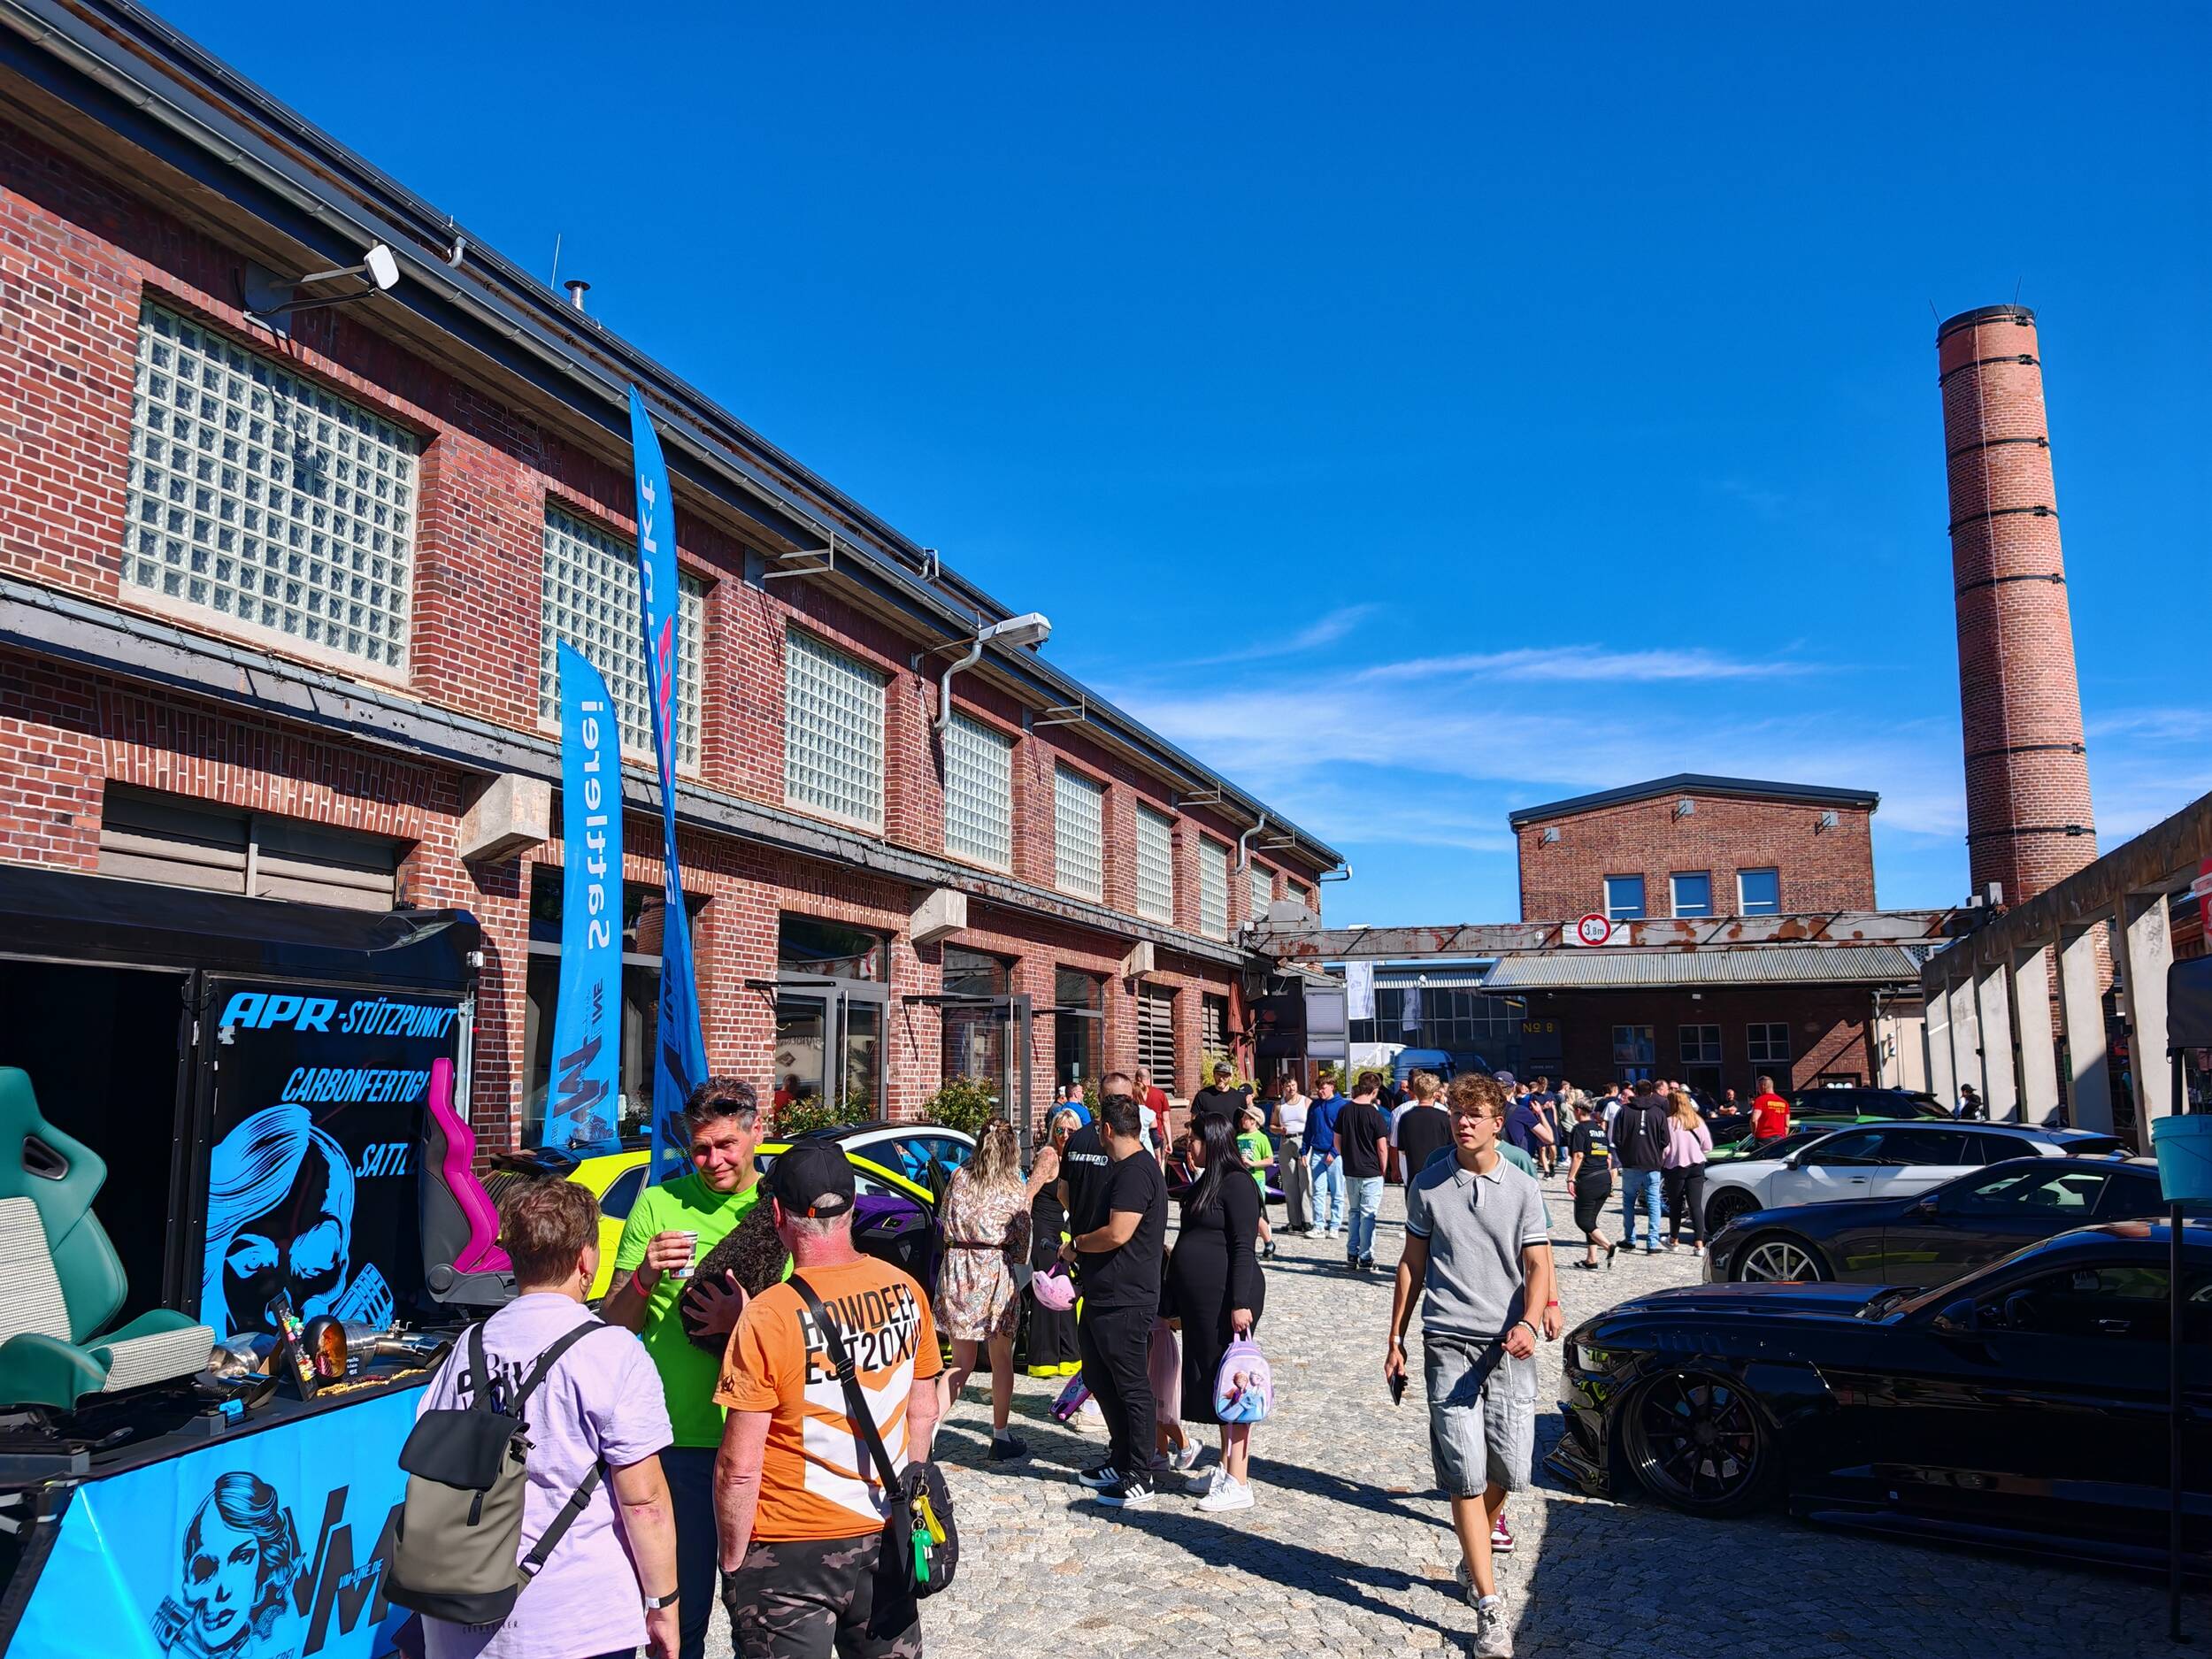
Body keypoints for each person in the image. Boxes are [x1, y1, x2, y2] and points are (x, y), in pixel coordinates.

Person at [418, 1179, 680, 1659]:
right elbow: (643, 1501)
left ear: (513, 1260)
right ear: (585, 1260)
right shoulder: (612, 1351)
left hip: (461, 1614)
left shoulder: (465, 1348)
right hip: (577, 1621)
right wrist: (663, 1606)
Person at [711, 1144, 942, 1659]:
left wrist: (732, 1562)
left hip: (790, 1547)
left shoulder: (768, 1315)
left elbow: (738, 1468)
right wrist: (910, 1502)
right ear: (853, 1208)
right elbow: (924, 1409)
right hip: (886, 1530)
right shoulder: (907, 1291)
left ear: (777, 1214)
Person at [1384, 1075, 1558, 1659]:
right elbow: (1411, 1264)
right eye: (1458, 1112)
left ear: (1497, 1122)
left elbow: (1539, 1264)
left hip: (1508, 1346)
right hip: (1447, 1343)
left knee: (1510, 1469)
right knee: (1464, 1474)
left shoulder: (1523, 1186)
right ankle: (1489, 1604)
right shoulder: (1429, 1184)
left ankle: (1472, 1545)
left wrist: (1531, 1320)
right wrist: (1395, 1338)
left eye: (1476, 1114)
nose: (1464, 1122)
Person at [605, 1079, 764, 1659]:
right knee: (679, 1623)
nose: (713, 1160)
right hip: (678, 1445)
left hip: (762, 1442)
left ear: (756, 1133)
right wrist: (644, 1274)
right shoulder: (659, 1204)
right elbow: (614, 1324)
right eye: (701, 1148)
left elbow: (807, 1328)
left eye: (725, 1145)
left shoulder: (779, 1208)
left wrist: (743, 1321)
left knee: (764, 1624)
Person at [1059, 1094, 1169, 1507]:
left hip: (1128, 1296)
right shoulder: (1124, 1168)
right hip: (1103, 1291)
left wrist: (1077, 1245)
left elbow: (1118, 1232)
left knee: (1131, 1385)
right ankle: (1120, 1458)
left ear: (1107, 1130)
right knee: (1098, 1376)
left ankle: (1141, 1472)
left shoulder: (1136, 1171)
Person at [934, 1118, 1058, 1460]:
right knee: (1001, 1359)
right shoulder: (1014, 1188)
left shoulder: (960, 1177)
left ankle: (928, 1430)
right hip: (993, 1272)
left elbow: (944, 1218)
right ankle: (1000, 1436)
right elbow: (1020, 1247)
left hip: (958, 1268)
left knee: (960, 1362)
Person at [1165, 1113, 1267, 1513]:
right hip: (1203, 1302)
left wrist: (1240, 1302)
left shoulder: (1238, 1183)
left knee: (1235, 1386)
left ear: (1212, 1140)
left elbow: (1243, 1246)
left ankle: (1239, 1481)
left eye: (1193, 1140)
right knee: (1214, 1381)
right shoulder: (1207, 1179)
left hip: (1229, 1299)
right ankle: (1226, 1469)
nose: (1188, 1147)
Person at [1024, 1108, 1085, 1377]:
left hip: (1060, 1232)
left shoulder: (1072, 1159)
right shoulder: (1049, 1155)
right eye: (1060, 1129)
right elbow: (1029, 1193)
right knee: (1047, 1292)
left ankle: (1068, 1357)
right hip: (1043, 1230)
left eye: (1071, 1130)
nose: (1064, 1135)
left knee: (1064, 1291)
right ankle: (1044, 1360)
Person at [1610, 1079, 1671, 1254]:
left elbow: (1616, 1138)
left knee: (1629, 1202)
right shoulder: (1658, 1112)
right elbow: (1665, 1139)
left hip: (1630, 1163)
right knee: (1653, 1202)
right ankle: (1652, 1242)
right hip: (1652, 1163)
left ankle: (1630, 1238)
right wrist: (1656, 1151)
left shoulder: (1624, 1111)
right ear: (1651, 1092)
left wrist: (1625, 1155)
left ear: (1635, 1092)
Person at [1338, 1075, 1390, 1271]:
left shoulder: (1344, 1110)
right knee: (1368, 1215)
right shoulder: (1375, 1115)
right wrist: (1383, 1169)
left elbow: (1337, 1140)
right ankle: (1366, 1256)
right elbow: (1382, 1147)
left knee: (1354, 1212)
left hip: (1351, 1169)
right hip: (1371, 1171)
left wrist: (1347, 1156)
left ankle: (1352, 1253)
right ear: (1374, 1091)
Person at [1563, 1096, 1617, 1270]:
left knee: (1583, 1220)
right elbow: (1609, 1158)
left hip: (1588, 1179)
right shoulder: (1599, 1129)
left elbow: (1578, 1155)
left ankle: (1609, 1247)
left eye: (1574, 1110)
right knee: (1591, 1220)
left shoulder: (1579, 1129)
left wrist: (1571, 1178)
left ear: (1578, 1111)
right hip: (1604, 1177)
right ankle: (1591, 1259)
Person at [1661, 1089, 1713, 1255]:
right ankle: (1699, 1244)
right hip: (1697, 1165)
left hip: (1675, 1167)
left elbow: (1665, 1149)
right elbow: (1707, 1146)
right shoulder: (1697, 1120)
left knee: (1676, 1205)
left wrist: (1660, 1163)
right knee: (1695, 1206)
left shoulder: (1668, 1122)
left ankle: (1674, 1239)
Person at [1303, 1074, 1347, 1238]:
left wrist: (1334, 1152)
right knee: (1318, 1191)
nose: (1320, 1091)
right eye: (1318, 1089)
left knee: (1337, 1192)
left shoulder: (1342, 1106)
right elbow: (1309, 1129)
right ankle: (1319, 1225)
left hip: (1336, 1155)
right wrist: (1304, 1151)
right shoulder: (1314, 1106)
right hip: (1317, 1152)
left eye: (1323, 1088)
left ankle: (1335, 1226)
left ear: (1332, 1087)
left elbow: (1344, 1132)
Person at [1391, 1071, 1453, 1187]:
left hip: (1415, 1178)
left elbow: (1402, 1150)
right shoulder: (1444, 1117)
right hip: (1440, 1176)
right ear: (1435, 1094)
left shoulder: (1405, 1117)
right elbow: (1451, 1147)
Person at [1235, 1102, 1279, 1259]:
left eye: (1245, 1117)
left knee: (1255, 1214)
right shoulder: (1238, 1137)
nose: (1242, 1120)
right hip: (1240, 1180)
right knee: (1241, 1215)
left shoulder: (1262, 1138)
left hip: (1256, 1180)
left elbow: (1269, 1160)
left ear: (1254, 1121)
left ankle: (1268, 1243)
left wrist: (1253, 1163)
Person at [1271, 1076, 1314, 1233]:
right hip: (1286, 1141)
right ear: (1283, 1087)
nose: (1291, 1088)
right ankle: (1295, 1221)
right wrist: (1279, 1130)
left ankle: (1307, 1220)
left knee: (1306, 1181)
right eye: (1288, 1086)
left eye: (1294, 1085)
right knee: (1290, 1184)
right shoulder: (1279, 1105)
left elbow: (1313, 1122)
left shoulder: (1306, 1102)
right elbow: (1272, 1126)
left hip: (1303, 1140)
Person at [1189, 1063, 1251, 1128]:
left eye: (1225, 1076)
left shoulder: (1239, 1097)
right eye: (1218, 1074)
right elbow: (1194, 1121)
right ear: (1214, 1075)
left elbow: (1245, 1121)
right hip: (1208, 1134)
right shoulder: (1202, 1096)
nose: (1221, 1078)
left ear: (1230, 1077)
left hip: (1233, 1134)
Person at [1133, 1065, 1173, 1158]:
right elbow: (1166, 1120)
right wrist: (1169, 1142)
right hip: (1156, 1135)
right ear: (1149, 1078)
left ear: (1138, 1079)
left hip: (1137, 1137)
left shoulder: (1133, 1094)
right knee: (1157, 1162)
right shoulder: (1160, 1094)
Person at [1748, 1074, 1791, 1143]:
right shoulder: (1784, 1102)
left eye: (1758, 1087)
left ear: (1763, 1086)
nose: (1758, 1090)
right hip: (1780, 1138)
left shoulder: (1760, 1100)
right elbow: (1787, 1125)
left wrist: (1754, 1133)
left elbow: (1754, 1120)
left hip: (1764, 1138)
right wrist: (1783, 1137)